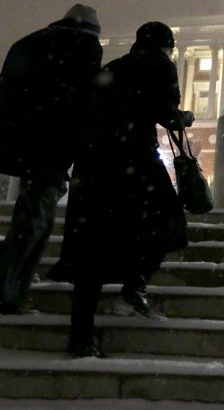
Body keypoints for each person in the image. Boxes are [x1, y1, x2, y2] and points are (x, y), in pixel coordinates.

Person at [48, 21, 193, 358]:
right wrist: (183, 118)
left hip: (94, 165)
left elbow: (87, 109)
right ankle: (135, 283)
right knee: (171, 226)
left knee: (91, 251)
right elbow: (165, 113)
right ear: (165, 45)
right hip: (135, 161)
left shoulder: (114, 67)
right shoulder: (160, 65)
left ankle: (81, 337)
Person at [0, 4, 104, 315]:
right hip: (50, 144)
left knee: (31, 215)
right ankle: (4, 294)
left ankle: (7, 281)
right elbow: (84, 99)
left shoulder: (28, 43)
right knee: (36, 220)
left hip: (18, 142)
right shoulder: (82, 46)